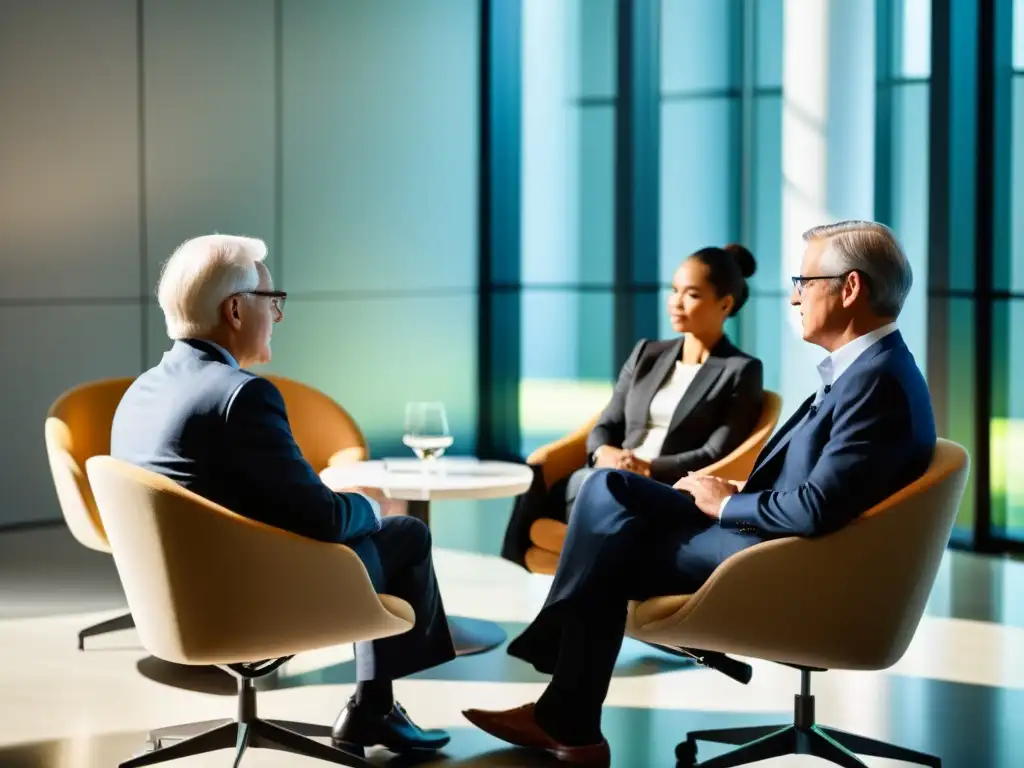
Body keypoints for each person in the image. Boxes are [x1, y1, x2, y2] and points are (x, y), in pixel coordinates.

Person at [464, 220, 937, 766]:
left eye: (804, 281)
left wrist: (726, 503)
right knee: (607, 487)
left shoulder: (875, 381)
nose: (794, 296)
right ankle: (566, 711)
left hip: (777, 559)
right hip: (769, 537)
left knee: (611, 541)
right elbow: (826, 485)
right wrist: (737, 488)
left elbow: (817, 509)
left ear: (849, 288)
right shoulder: (867, 371)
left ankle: (564, 703)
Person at [110, 234, 455, 755]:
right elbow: (321, 521)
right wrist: (368, 503)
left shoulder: (140, 392)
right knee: (403, 533)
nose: (276, 315)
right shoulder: (241, 395)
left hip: (174, 601)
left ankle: (375, 708)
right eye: (272, 301)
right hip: (246, 601)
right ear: (234, 309)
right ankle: (374, 708)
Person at [501, 244, 765, 567]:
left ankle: (594, 562)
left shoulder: (741, 370)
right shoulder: (647, 354)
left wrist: (647, 467)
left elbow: (715, 452)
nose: (676, 303)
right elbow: (606, 423)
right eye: (674, 290)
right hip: (608, 475)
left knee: (596, 489)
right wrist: (604, 453)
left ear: (725, 304)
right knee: (553, 479)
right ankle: (574, 559)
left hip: (663, 487)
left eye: (692, 295)